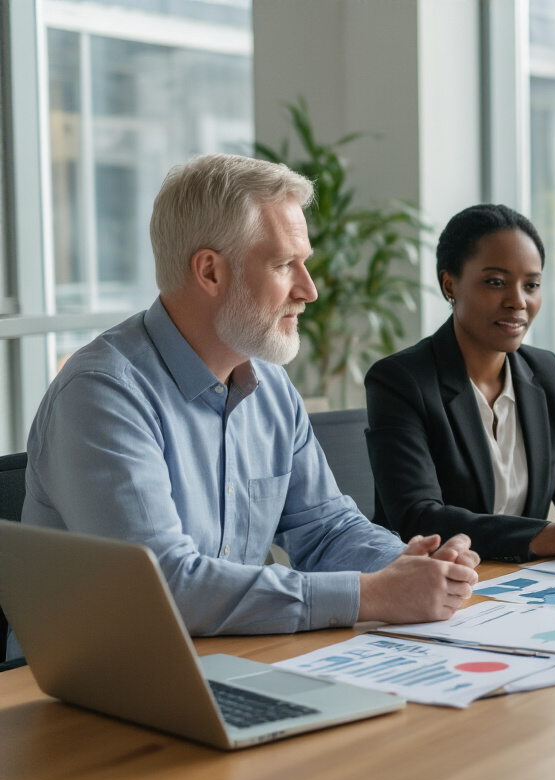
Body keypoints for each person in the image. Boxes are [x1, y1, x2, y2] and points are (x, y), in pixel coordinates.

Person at [12, 154, 479, 662]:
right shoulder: (102, 393)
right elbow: (164, 586)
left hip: (227, 658)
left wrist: (413, 564)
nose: (309, 290)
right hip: (99, 677)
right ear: (210, 271)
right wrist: (371, 595)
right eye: (284, 265)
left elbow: (325, 529)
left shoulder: (270, 385)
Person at [365, 204, 555, 564]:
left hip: (524, 580)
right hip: (433, 581)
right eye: (496, 282)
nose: (518, 301)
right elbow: (419, 518)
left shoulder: (546, 372)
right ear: (450, 284)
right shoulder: (401, 381)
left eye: (532, 285)